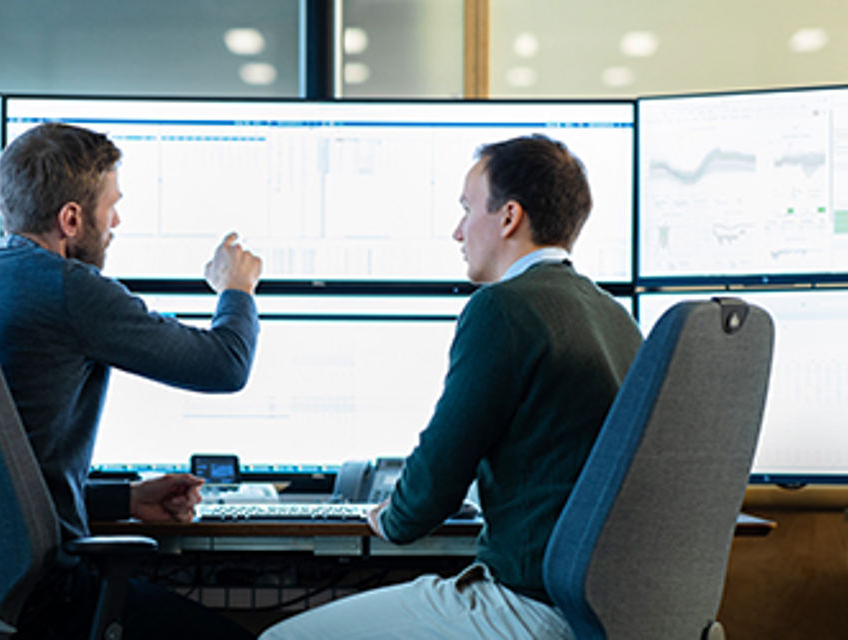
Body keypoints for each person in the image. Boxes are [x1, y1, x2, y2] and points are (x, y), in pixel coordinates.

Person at [261, 135, 643, 640]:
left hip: (527, 605)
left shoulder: (504, 308)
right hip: (602, 607)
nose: (457, 232)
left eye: (467, 210)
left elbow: (437, 478)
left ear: (509, 217)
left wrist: (388, 516)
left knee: (278, 639)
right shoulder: (615, 316)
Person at [0, 122, 261, 640]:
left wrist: (126, 500)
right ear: (71, 218)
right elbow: (224, 365)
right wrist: (236, 289)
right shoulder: (69, 289)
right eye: (111, 204)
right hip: (45, 598)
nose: (117, 220)